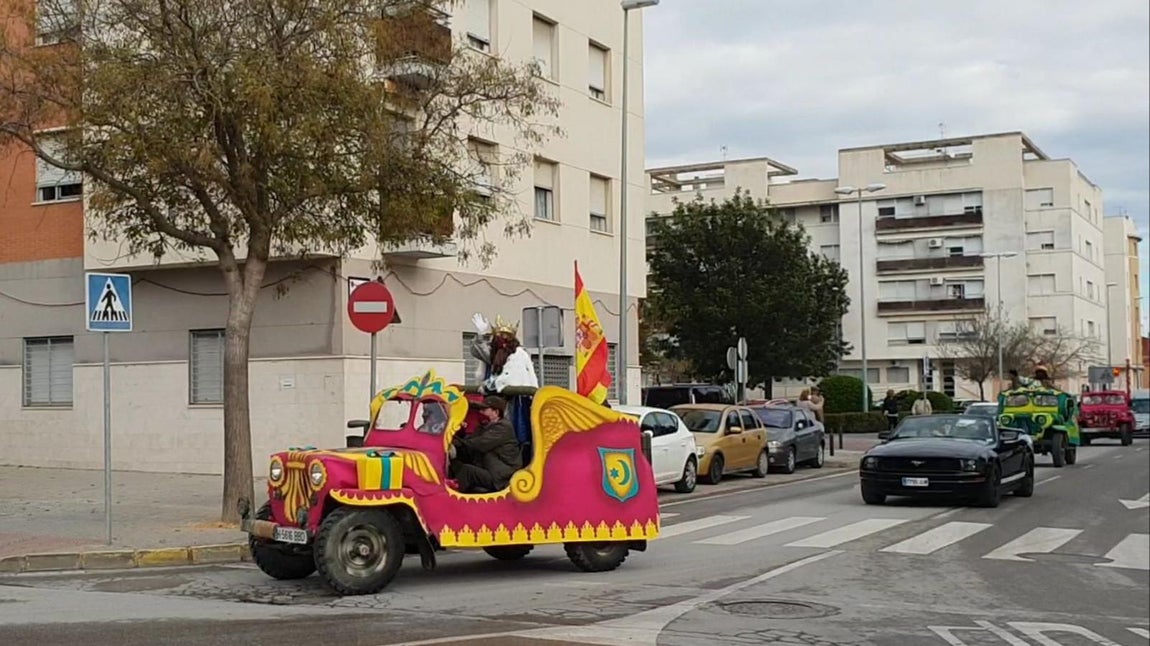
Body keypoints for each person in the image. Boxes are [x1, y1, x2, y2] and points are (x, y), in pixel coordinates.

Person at [449, 396, 522, 493]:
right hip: (490, 469)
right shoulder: (486, 426)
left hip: (500, 477)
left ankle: (453, 500)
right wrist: (457, 432)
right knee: (456, 463)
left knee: (467, 471)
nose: (480, 412)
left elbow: (480, 444)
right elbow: (469, 441)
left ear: (496, 412)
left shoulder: (503, 427)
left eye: (484, 410)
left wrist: (457, 443)